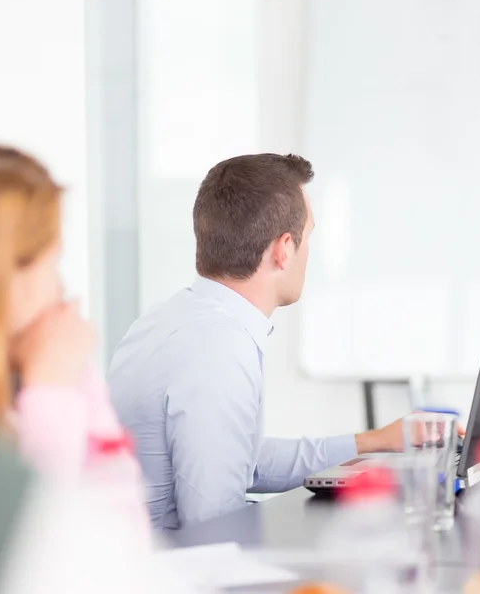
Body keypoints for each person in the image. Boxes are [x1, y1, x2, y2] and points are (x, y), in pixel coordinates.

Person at [108, 153, 410, 531]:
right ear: (284, 249)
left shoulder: (173, 318)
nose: (309, 253)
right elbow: (214, 526)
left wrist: (375, 441)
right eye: (309, 236)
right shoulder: (218, 349)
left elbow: (242, 462)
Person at [0, 145, 147, 533]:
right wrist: (50, 392)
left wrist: (77, 388)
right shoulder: (47, 384)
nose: (61, 285)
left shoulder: (41, 371)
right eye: (53, 262)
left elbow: (124, 525)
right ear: (8, 277)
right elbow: (33, 548)